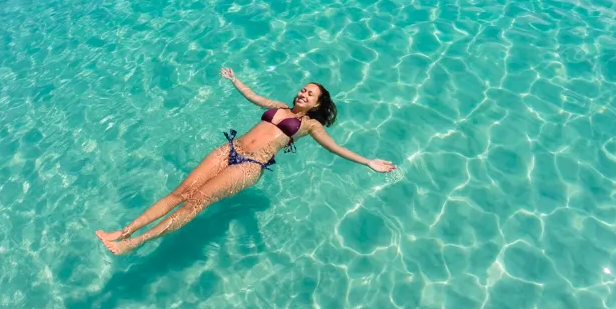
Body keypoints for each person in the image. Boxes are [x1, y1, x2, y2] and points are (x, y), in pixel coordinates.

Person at [95, 67, 397, 254]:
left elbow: (336, 148)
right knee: (179, 192)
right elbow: (252, 96)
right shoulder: (278, 105)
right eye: (303, 89)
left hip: (250, 166)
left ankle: (136, 243)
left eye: (310, 94)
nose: (303, 93)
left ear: (318, 104)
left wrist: (368, 161)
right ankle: (123, 232)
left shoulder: (311, 126)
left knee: (195, 202)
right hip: (231, 148)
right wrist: (235, 80)